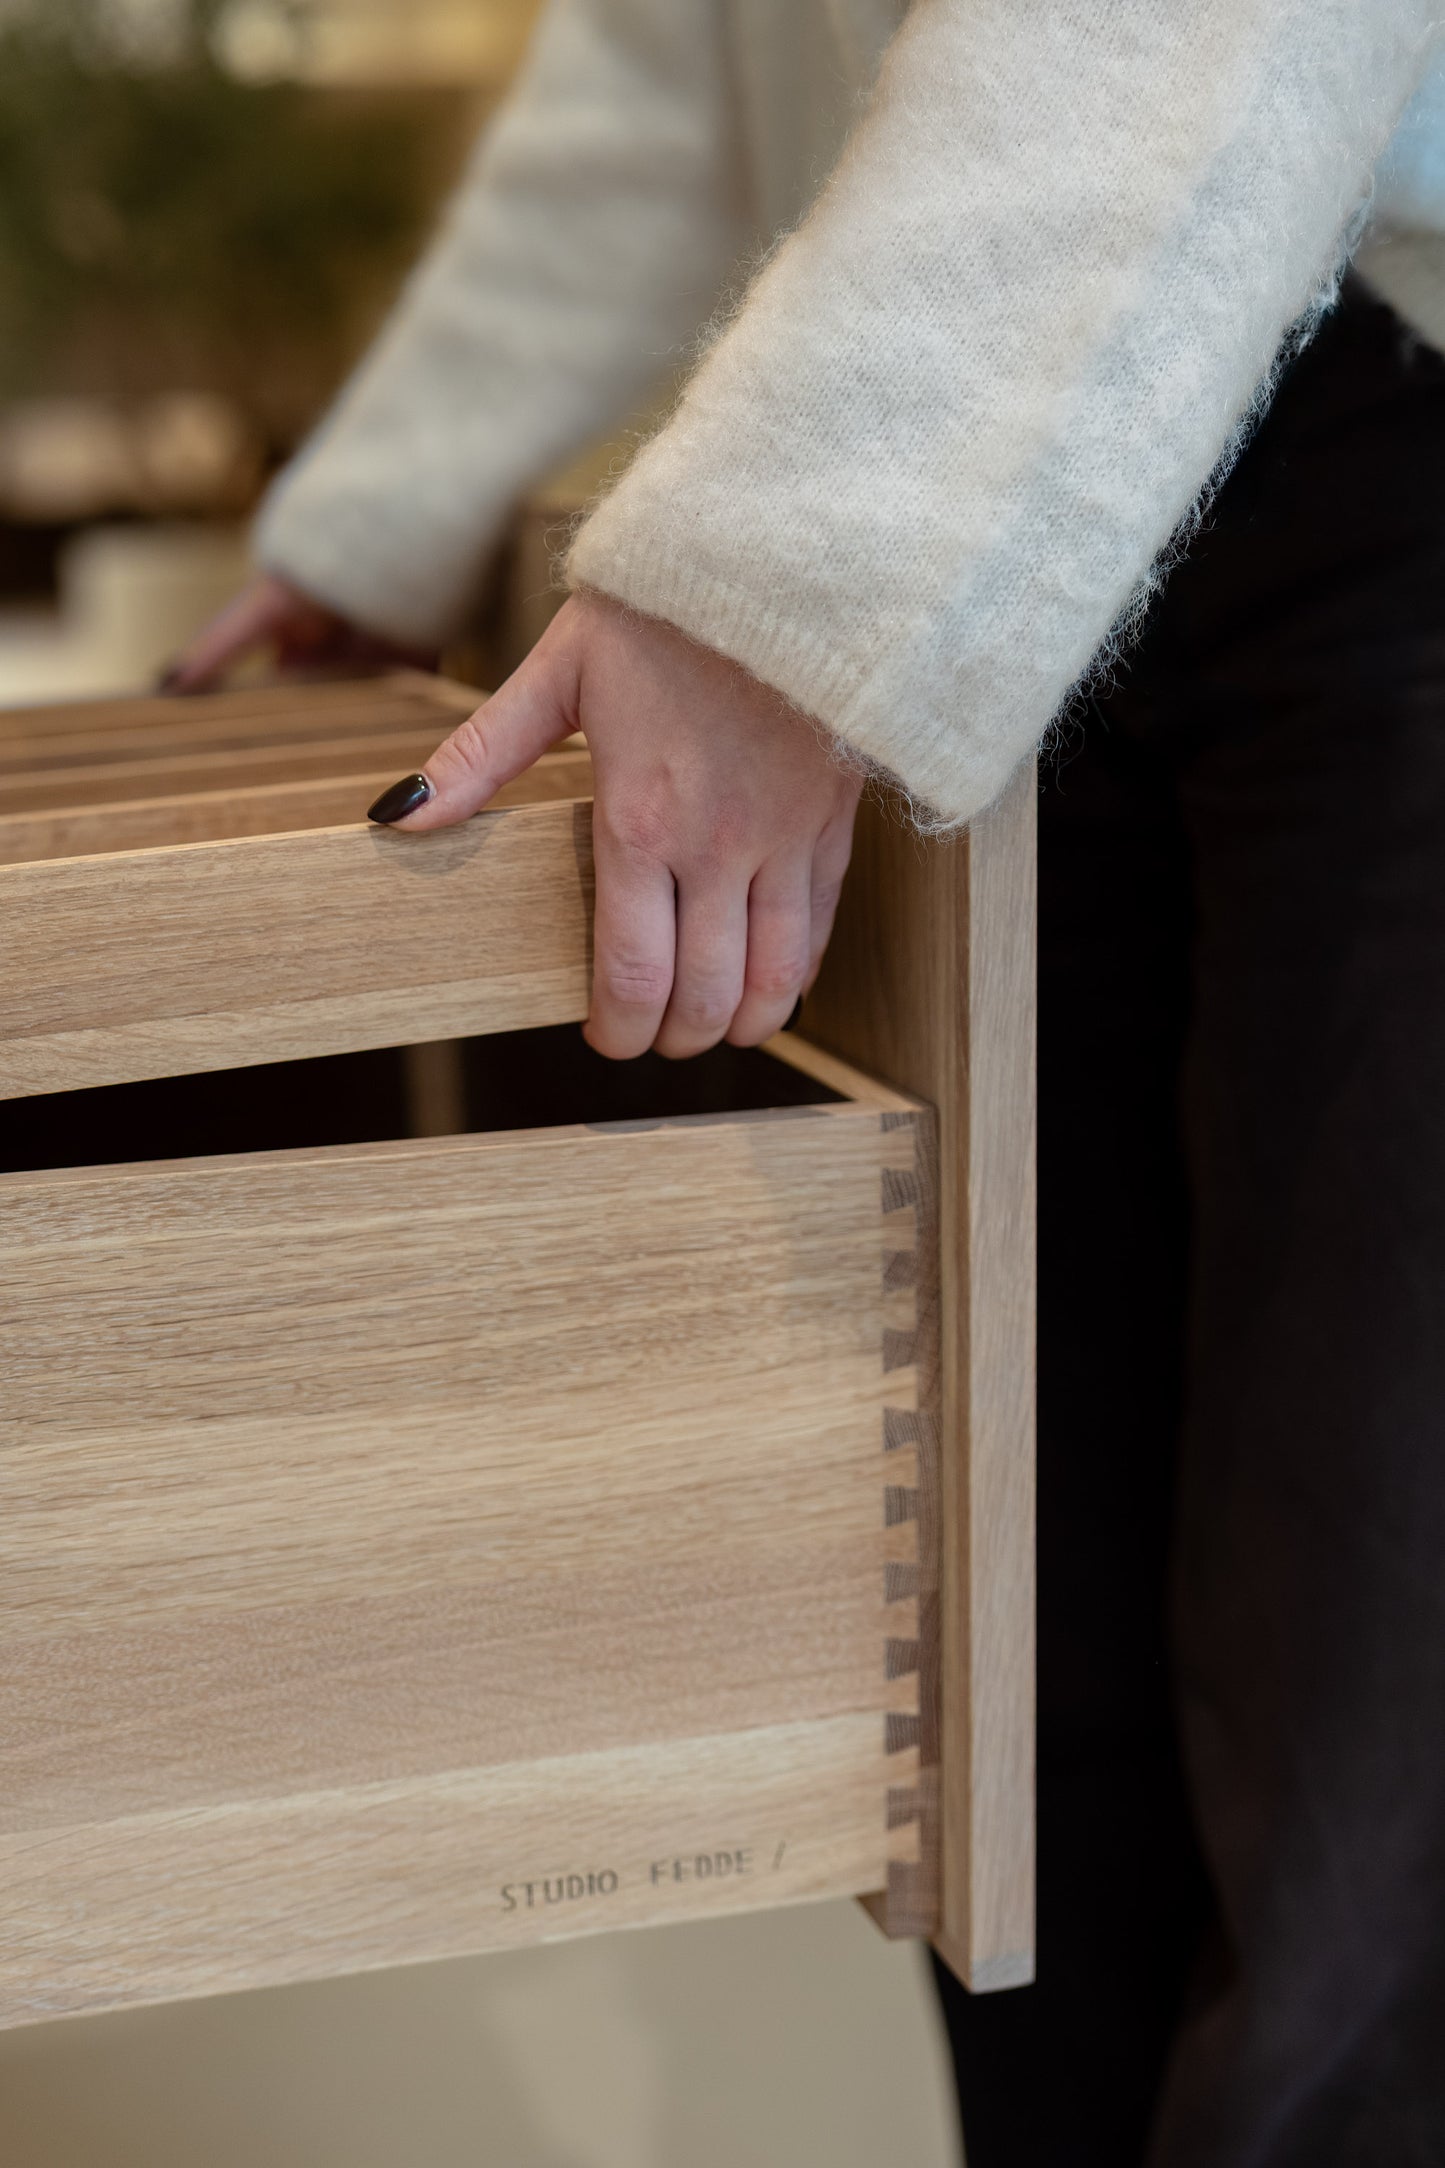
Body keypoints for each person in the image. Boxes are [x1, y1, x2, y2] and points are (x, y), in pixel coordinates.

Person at [174, 5, 1445, 2160]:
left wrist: (799, 567)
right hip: (1016, 467)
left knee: (1371, 1712)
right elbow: (695, 48)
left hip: (1348, 414)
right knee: (1019, 1725)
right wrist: (391, 509)